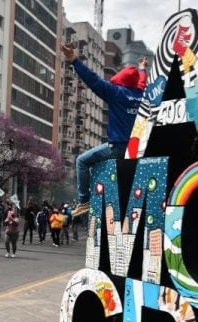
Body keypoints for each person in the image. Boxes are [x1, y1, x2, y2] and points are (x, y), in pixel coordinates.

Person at [61, 43, 147, 218]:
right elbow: (142, 81)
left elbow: (92, 79)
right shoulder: (141, 94)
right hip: (137, 150)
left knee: (82, 161)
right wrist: (142, 68)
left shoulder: (115, 92)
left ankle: (84, 201)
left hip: (118, 148)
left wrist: (74, 61)